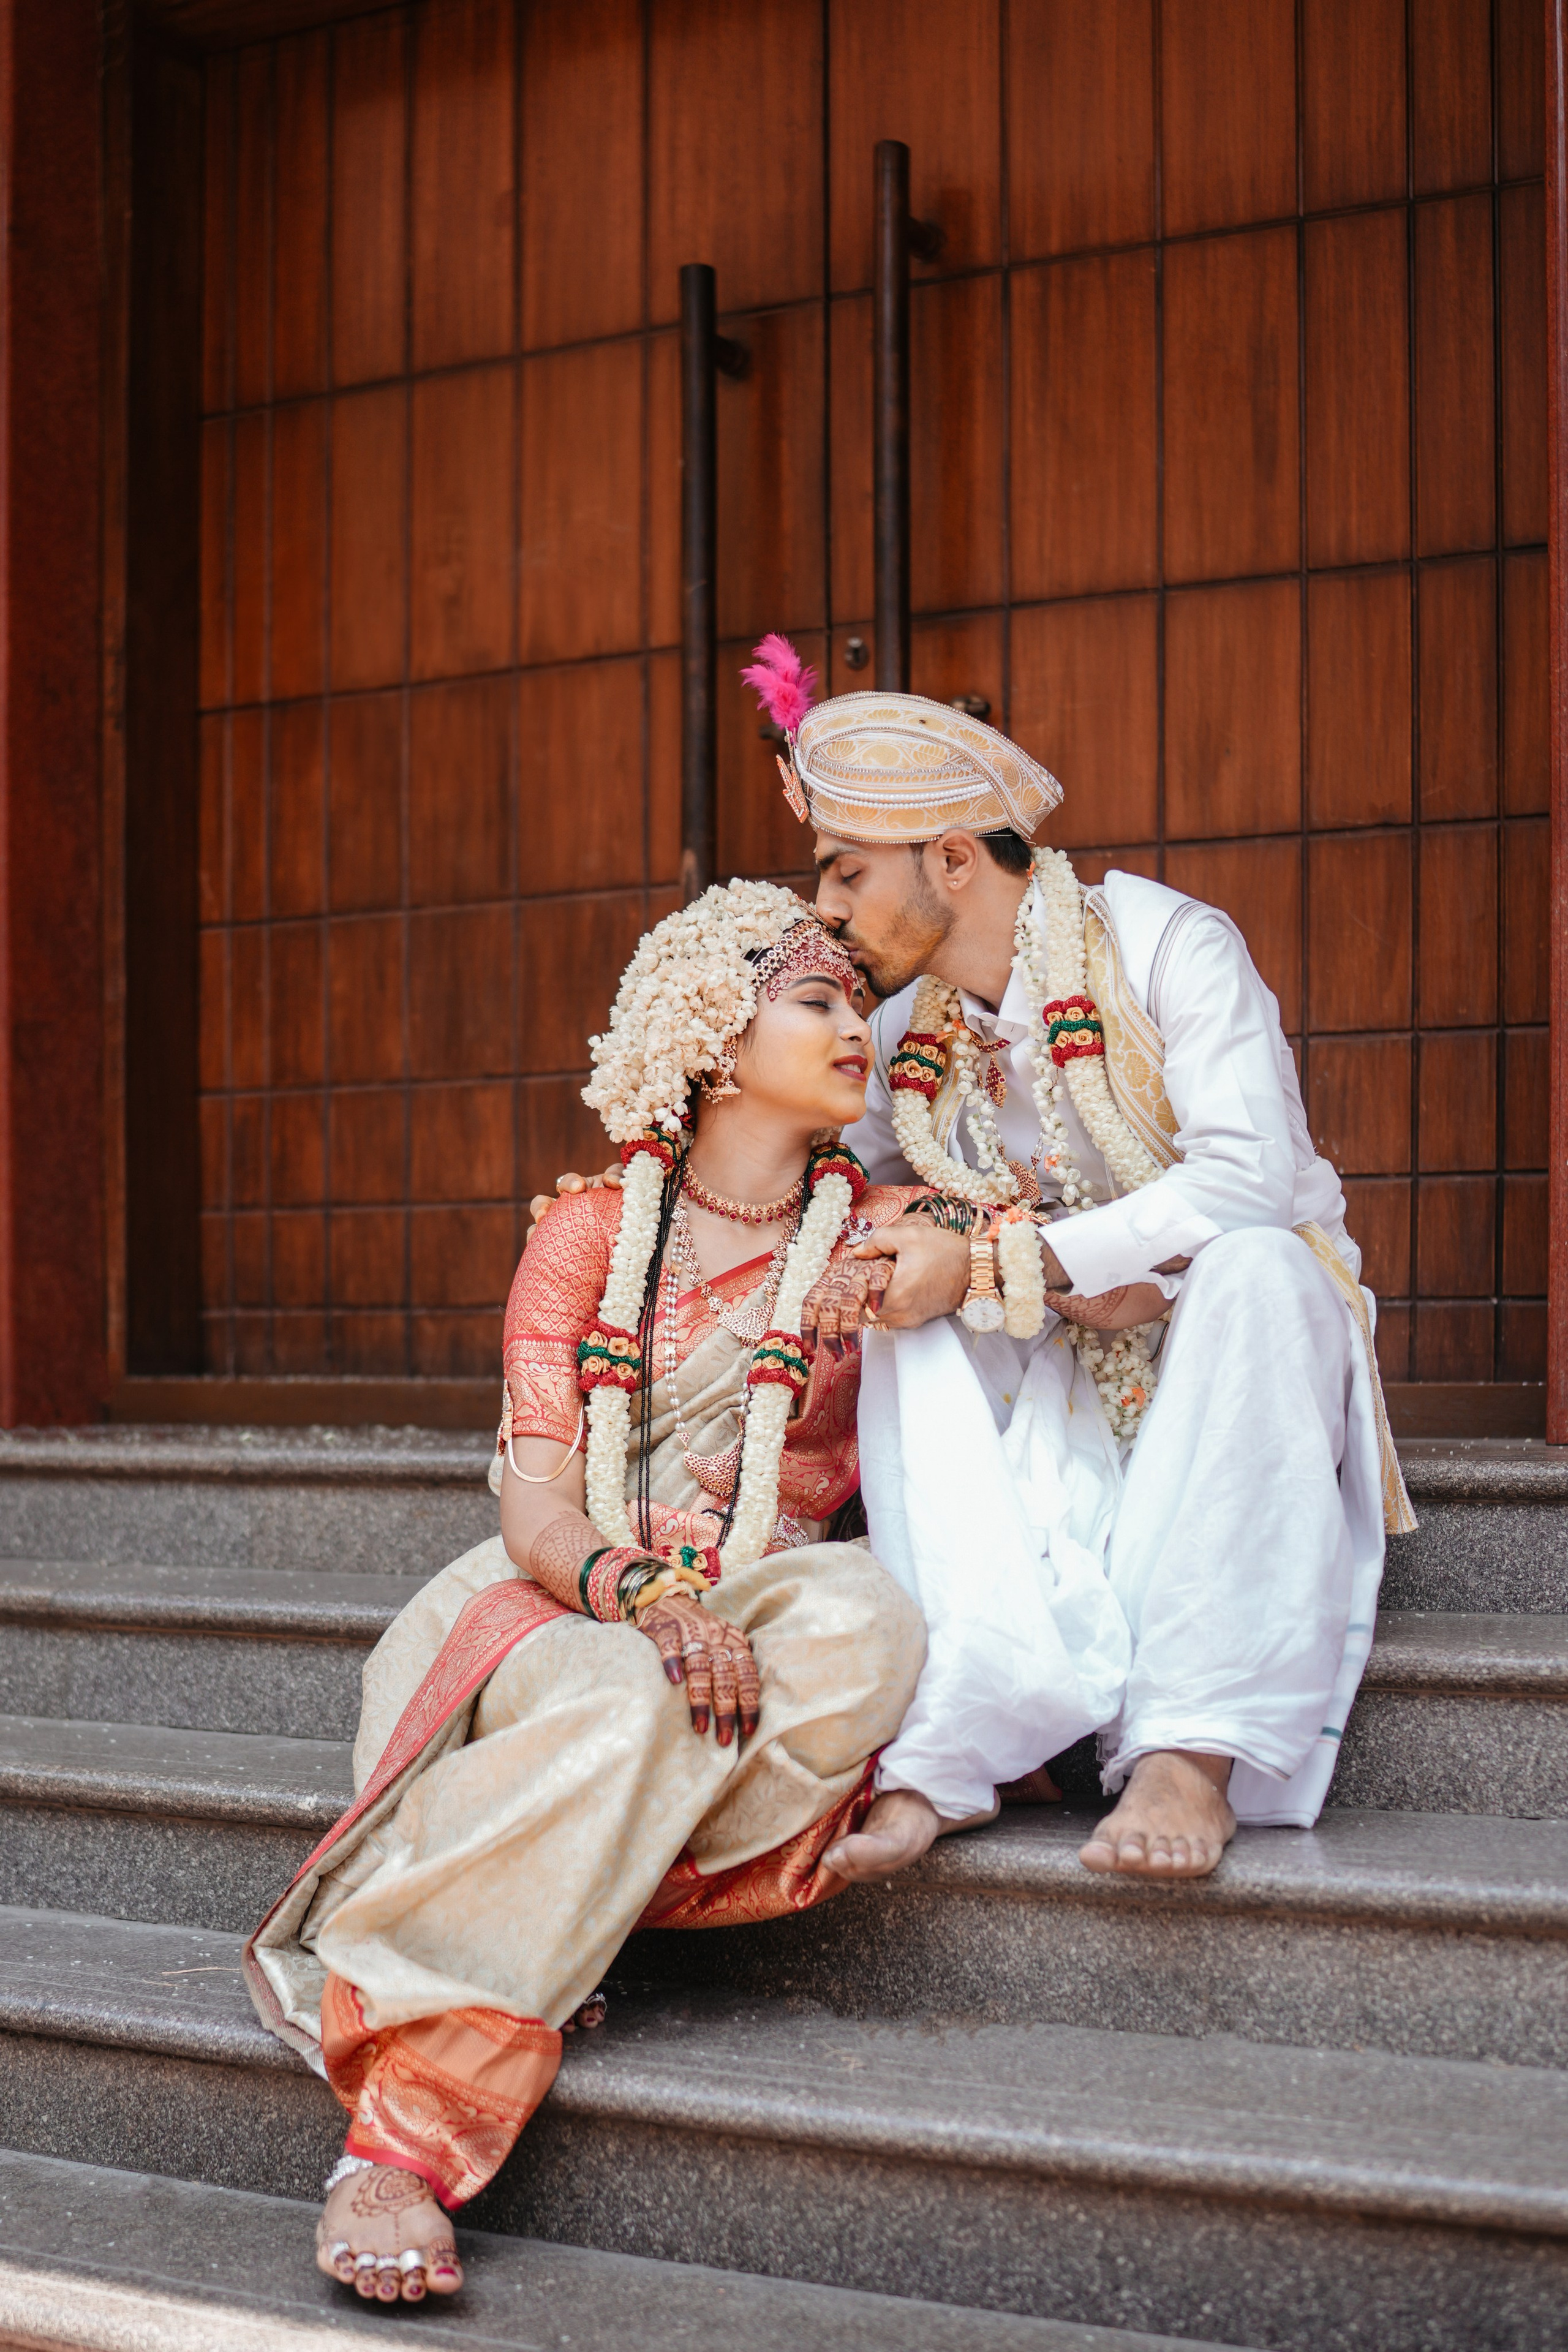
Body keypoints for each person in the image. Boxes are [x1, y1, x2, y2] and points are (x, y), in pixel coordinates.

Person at [544, 639, 1414, 1892]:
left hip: (1227, 1351)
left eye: (843, 874)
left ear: (953, 859)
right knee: (893, 1282)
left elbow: (1247, 1183)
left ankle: (1190, 1751)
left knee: (1264, 1267)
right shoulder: (895, 1027)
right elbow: (816, 1185)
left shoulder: (1165, 943)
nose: (825, 912)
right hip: (1047, 1363)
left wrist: (1008, 1258)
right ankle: (949, 1752)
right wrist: (640, 1207)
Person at [244, 879, 928, 2305]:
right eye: (816, 998)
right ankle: (405, 2137)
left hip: (768, 1602)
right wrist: (643, 1593)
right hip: (568, 1601)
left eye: (858, 998)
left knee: (872, 1627)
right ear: (709, 1035)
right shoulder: (590, 1232)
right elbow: (535, 1499)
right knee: (630, 1689)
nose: (855, 1022)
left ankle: (567, 1886)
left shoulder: (878, 1237)